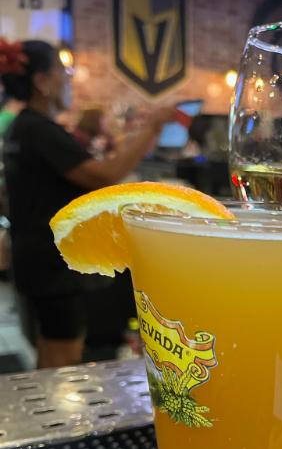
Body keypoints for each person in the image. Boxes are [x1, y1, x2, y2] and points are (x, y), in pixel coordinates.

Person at [0, 39, 175, 368]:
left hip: (34, 255)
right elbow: (105, 175)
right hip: (52, 263)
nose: (67, 81)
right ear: (41, 81)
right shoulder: (40, 129)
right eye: (62, 72)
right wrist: (152, 127)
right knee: (64, 353)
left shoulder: (21, 126)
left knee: (50, 343)